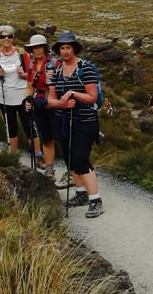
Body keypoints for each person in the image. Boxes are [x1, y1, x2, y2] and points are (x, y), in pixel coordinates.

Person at [48, 30, 103, 218]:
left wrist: (72, 93)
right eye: (61, 48)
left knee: (80, 159)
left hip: (86, 121)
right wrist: (62, 103)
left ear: (74, 48)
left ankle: (95, 199)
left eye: (68, 47)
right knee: (70, 159)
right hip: (65, 121)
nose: (65, 51)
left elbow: (92, 96)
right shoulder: (57, 71)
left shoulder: (85, 68)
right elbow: (51, 100)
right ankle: (81, 195)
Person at [0, 25, 32, 154]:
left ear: (13, 38)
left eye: (9, 36)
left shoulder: (22, 53)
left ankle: (37, 156)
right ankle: (14, 156)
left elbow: (32, 76)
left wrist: (23, 74)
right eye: (3, 36)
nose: (6, 39)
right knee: (11, 127)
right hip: (4, 96)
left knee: (29, 126)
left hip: (23, 95)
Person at [24, 33, 60, 179]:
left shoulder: (55, 64)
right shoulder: (32, 65)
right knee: (46, 138)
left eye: (40, 47)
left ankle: (72, 172)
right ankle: (50, 170)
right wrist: (27, 99)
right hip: (38, 105)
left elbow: (61, 84)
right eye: (34, 48)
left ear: (45, 48)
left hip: (54, 105)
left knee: (61, 137)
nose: (37, 50)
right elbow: (29, 86)